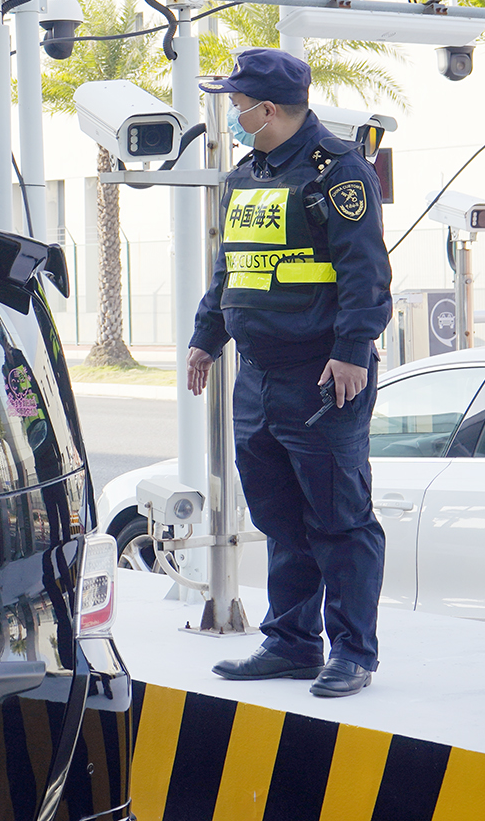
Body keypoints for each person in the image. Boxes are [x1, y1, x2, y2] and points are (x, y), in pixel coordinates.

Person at [187, 48, 392, 698]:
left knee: (339, 519)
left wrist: (353, 349)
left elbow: (365, 272)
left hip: (320, 375)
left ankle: (353, 652)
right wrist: (206, 338)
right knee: (279, 515)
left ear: (268, 109)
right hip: (257, 375)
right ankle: (292, 642)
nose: (232, 115)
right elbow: (229, 269)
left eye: (237, 104)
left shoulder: (340, 171)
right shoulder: (244, 176)